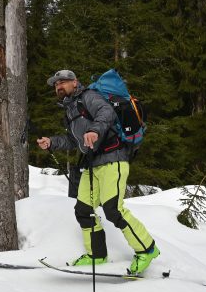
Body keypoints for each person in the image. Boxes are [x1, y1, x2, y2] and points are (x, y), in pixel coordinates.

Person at [36, 69, 160, 275]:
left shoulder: (88, 97)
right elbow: (73, 140)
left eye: (63, 82)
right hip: (92, 164)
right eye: (56, 84)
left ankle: (147, 249)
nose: (59, 86)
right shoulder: (70, 110)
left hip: (114, 159)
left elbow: (107, 113)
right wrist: (51, 142)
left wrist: (94, 130)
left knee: (114, 209)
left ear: (75, 83)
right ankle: (97, 255)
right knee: (83, 210)